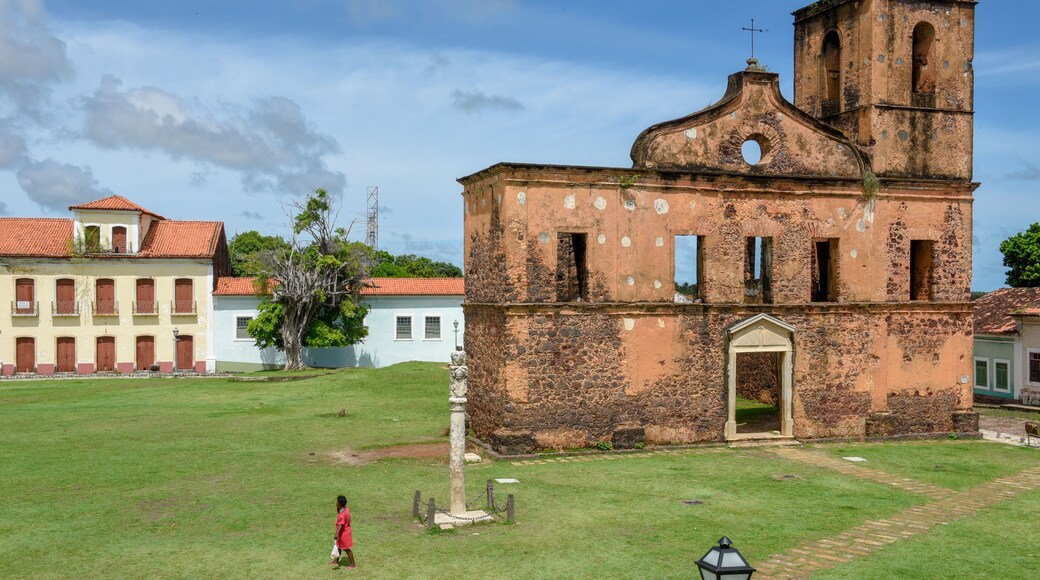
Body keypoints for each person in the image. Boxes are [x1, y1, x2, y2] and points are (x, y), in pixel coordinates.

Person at [329, 495, 356, 568]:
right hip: (344, 531)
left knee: (347, 549)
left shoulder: (342, 514)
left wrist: (336, 534)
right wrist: (338, 508)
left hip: (344, 533)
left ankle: (353, 565)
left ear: (340, 504)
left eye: (337, 502)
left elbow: (341, 525)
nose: (336, 503)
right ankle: (336, 561)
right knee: (338, 546)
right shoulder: (346, 509)